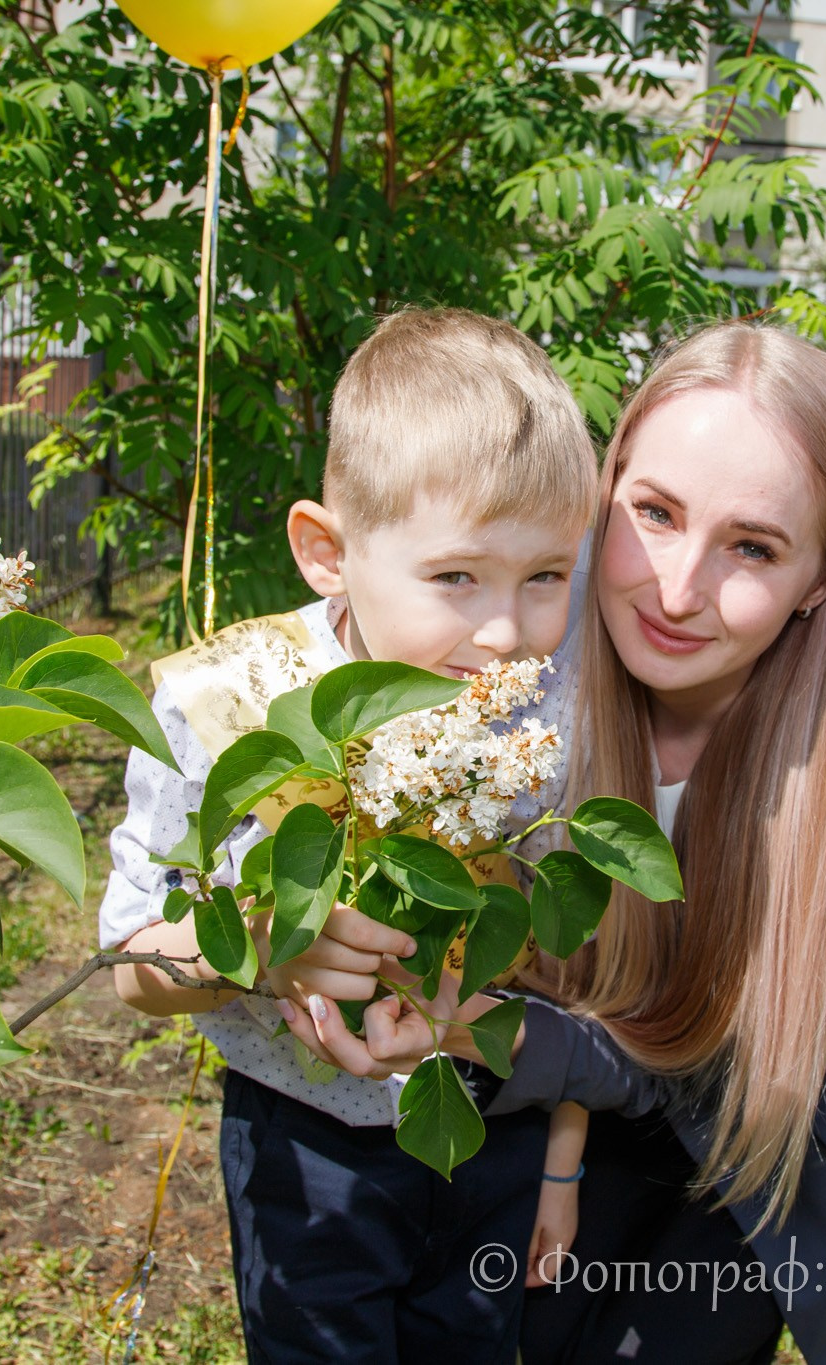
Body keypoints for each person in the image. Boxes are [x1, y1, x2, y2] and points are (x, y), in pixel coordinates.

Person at [278, 322, 826, 1365]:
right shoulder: (513, 629)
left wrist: (482, 1036)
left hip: (769, 1098)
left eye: (751, 547)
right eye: (651, 514)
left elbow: (697, 1057)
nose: (672, 590)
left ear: (824, 579)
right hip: (574, 1071)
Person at [97, 307, 597, 1364]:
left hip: (488, 1121)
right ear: (327, 552)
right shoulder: (217, 704)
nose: (506, 631)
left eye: (545, 575)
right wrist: (254, 946)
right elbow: (128, 960)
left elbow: (575, 968)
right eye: (456, 576)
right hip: (303, 1147)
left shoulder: (549, 707)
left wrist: (561, 1163)